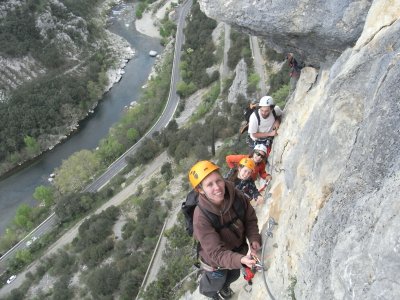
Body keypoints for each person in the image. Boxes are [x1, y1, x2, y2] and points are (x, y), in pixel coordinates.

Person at [188, 160, 262, 300]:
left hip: (236, 251)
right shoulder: (201, 217)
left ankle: (224, 288)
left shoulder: (236, 196)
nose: (217, 187)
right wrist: (241, 259)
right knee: (216, 281)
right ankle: (213, 294)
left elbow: (249, 218)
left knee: (234, 275)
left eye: (218, 180)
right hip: (215, 262)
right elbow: (216, 253)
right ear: (201, 190)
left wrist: (253, 238)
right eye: (209, 184)